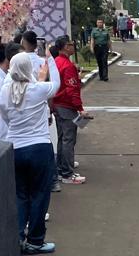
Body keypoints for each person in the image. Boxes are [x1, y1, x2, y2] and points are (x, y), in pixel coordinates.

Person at [1, 51, 61, 254]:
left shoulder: (5, 91)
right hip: (39, 149)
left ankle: (17, 237)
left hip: (15, 148)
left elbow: (6, 116)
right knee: (39, 195)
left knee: (20, 195)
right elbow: (57, 84)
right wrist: (51, 60)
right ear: (29, 69)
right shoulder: (38, 89)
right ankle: (35, 241)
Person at [51, 35, 89, 187]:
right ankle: (67, 173)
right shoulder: (68, 66)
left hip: (57, 104)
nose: (73, 46)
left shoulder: (56, 62)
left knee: (61, 138)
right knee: (68, 139)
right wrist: (80, 109)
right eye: (70, 44)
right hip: (67, 106)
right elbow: (72, 89)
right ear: (64, 47)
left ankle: (61, 169)